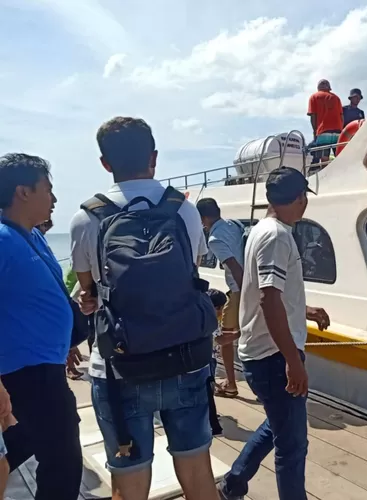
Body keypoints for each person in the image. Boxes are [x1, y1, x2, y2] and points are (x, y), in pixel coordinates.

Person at [69, 117, 220, 500]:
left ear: (105, 162)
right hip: (185, 359)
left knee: (130, 486)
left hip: (120, 369)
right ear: (154, 157)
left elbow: (88, 291)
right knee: (199, 478)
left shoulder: (86, 217)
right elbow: (193, 272)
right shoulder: (182, 210)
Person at [219, 167, 330, 500]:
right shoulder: (278, 236)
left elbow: (270, 293)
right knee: (293, 446)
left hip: (263, 354)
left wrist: (304, 309)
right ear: (299, 199)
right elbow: (268, 298)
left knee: (278, 426)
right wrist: (293, 360)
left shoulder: (261, 230)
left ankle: (232, 484)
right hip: (272, 357)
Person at [0, 153, 83, 499]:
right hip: (24, 375)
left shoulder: (33, 236)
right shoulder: (3, 240)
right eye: (47, 189)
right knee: (62, 463)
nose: (54, 199)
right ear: (23, 192)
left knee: (29, 447)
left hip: (45, 367)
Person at [197, 198, 244, 399]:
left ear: (205, 218)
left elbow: (234, 266)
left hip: (239, 289)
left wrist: (247, 294)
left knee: (225, 338)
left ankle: (231, 384)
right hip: (250, 286)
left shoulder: (214, 239)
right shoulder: (235, 224)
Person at [206, 288, 229, 437]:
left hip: (208, 360)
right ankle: (213, 424)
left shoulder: (203, 318)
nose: (221, 312)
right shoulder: (211, 321)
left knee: (208, 390)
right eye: (220, 309)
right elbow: (219, 339)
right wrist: (240, 334)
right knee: (207, 392)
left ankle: (209, 418)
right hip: (208, 361)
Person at [307, 79, 343, 166]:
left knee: (324, 158)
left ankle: (325, 176)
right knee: (339, 156)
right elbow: (341, 116)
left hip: (323, 131)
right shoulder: (336, 98)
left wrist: (315, 132)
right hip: (338, 131)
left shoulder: (314, 97)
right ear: (329, 87)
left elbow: (313, 116)